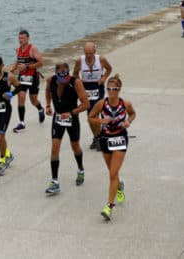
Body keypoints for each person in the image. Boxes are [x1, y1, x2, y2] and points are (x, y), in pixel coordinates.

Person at [88, 74, 136, 221]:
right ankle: (120, 186)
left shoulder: (125, 104)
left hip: (120, 138)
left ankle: (109, 206)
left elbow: (133, 114)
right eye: (109, 88)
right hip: (105, 139)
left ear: (119, 89)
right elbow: (90, 117)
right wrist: (101, 120)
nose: (111, 91)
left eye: (114, 88)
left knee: (112, 173)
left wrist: (128, 121)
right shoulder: (101, 104)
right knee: (112, 172)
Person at [44, 62, 90, 195]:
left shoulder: (76, 83)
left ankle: (80, 170)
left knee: (75, 145)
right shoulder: (51, 80)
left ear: (68, 74)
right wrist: (48, 105)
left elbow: (86, 104)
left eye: (65, 78)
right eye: (60, 78)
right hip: (58, 118)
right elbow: (47, 91)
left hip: (71, 117)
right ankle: (55, 181)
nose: (63, 81)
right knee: (54, 147)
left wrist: (71, 113)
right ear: (56, 74)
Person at [73, 42, 113, 151]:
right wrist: (79, 82)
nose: (88, 55)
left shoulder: (101, 59)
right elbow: (75, 73)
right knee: (90, 117)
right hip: (86, 88)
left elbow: (109, 69)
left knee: (94, 114)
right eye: (86, 53)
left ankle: (99, 138)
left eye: (90, 53)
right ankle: (97, 137)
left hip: (97, 86)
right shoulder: (79, 61)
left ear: (94, 52)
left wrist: (104, 78)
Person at [10, 30, 46, 132]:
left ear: (28, 38)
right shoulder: (18, 49)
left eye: (23, 38)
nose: (20, 40)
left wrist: (26, 66)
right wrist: (13, 68)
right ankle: (21, 123)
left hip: (33, 77)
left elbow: (41, 63)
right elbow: (18, 60)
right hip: (22, 78)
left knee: (33, 100)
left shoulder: (33, 49)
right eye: (19, 38)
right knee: (21, 97)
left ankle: (40, 108)